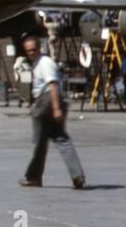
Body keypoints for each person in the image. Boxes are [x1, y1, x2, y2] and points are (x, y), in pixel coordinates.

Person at [19, 35, 85, 189]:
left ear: (39, 48)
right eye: (28, 51)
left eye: (34, 50)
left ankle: (34, 177)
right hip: (47, 103)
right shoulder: (36, 63)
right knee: (60, 139)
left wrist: (56, 109)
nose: (31, 53)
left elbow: (52, 85)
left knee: (40, 143)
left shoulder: (45, 63)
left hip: (47, 104)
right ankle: (77, 176)